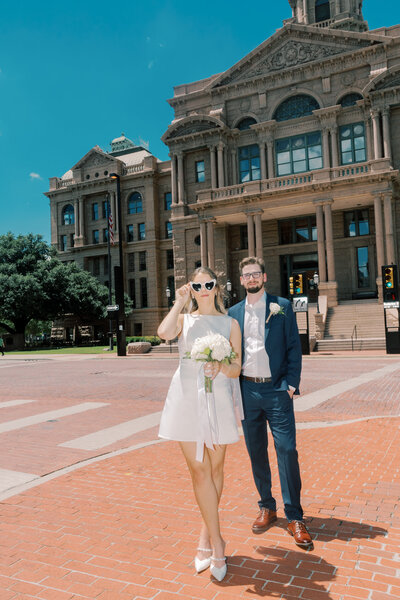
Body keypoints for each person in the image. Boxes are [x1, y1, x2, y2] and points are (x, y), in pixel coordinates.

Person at [158, 266, 243, 581]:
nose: (204, 288)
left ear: (217, 287)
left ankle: (206, 537)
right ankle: (219, 544)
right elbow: (164, 333)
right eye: (197, 285)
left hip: (217, 399)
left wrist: (219, 365)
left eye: (209, 283)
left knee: (216, 471)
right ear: (191, 288)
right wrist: (179, 303)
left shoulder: (230, 324)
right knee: (199, 470)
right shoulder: (183, 319)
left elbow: (236, 368)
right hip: (185, 399)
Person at [228, 256, 313, 549]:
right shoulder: (233, 313)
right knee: (256, 452)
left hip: (277, 391)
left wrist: (291, 385)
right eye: (246, 275)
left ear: (264, 278)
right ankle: (267, 506)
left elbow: (293, 346)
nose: (251, 278)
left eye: (255, 274)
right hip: (247, 390)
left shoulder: (282, 306)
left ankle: (295, 516)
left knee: (287, 450)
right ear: (241, 281)